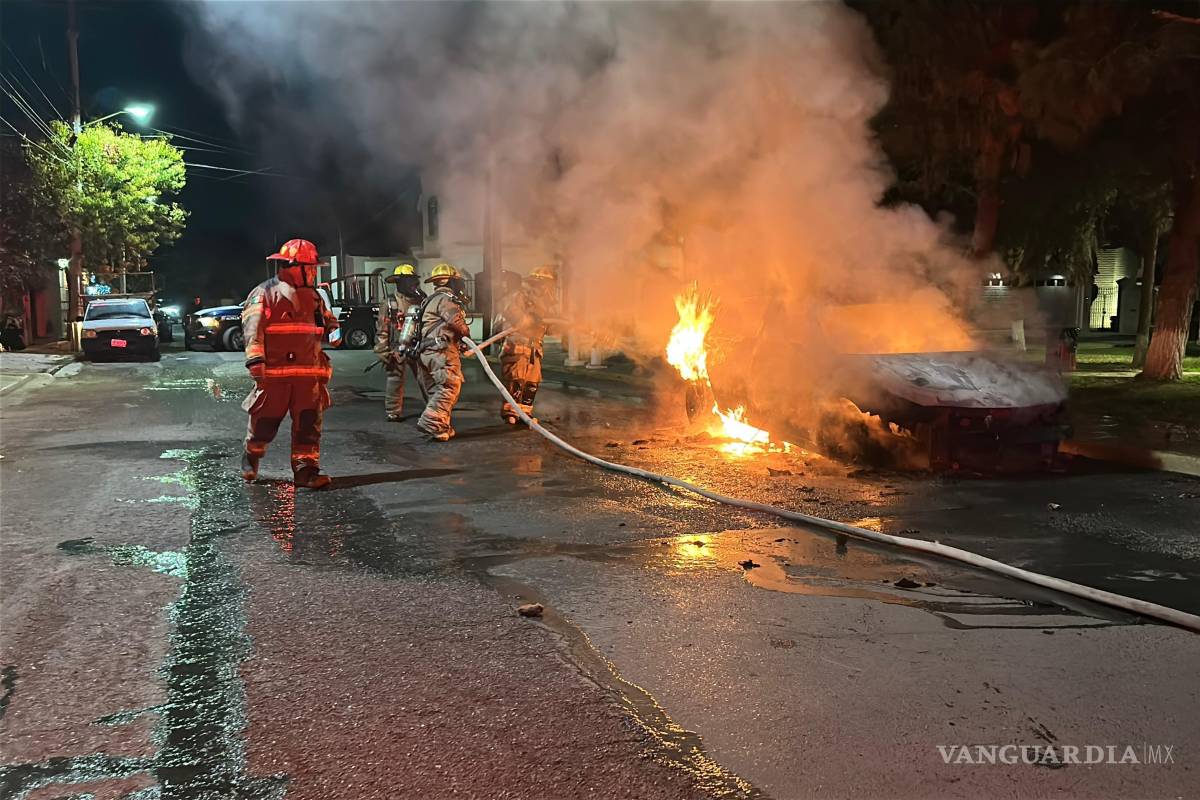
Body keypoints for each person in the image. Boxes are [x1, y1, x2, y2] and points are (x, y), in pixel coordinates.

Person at [240, 238, 341, 489]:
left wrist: (334, 329)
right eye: (312, 267)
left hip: (308, 379)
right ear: (296, 267)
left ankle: (306, 472)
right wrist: (255, 361)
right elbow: (253, 330)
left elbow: (327, 322)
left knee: (309, 426)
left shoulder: (314, 297)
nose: (314, 272)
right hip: (275, 376)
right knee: (264, 423)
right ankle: (251, 455)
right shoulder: (265, 293)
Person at [415, 263, 470, 441]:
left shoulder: (429, 300)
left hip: (425, 352)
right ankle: (431, 422)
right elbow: (456, 322)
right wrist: (466, 335)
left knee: (436, 390)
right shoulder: (446, 300)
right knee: (450, 386)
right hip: (441, 352)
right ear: (452, 282)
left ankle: (440, 428)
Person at [498, 265, 558, 423]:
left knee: (532, 381)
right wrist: (528, 320)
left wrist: (562, 325)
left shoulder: (544, 303)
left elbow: (550, 327)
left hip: (534, 348)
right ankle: (511, 412)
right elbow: (510, 310)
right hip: (517, 344)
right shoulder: (520, 295)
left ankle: (525, 413)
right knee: (515, 378)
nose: (548, 289)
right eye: (546, 285)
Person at [374, 263, 426, 421]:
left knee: (426, 378)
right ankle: (393, 411)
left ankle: (434, 407)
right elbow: (382, 328)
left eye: (413, 281)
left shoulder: (422, 300)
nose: (412, 284)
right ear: (399, 283)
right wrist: (382, 350)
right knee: (394, 379)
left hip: (418, 346)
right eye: (408, 281)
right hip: (397, 348)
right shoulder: (390, 303)